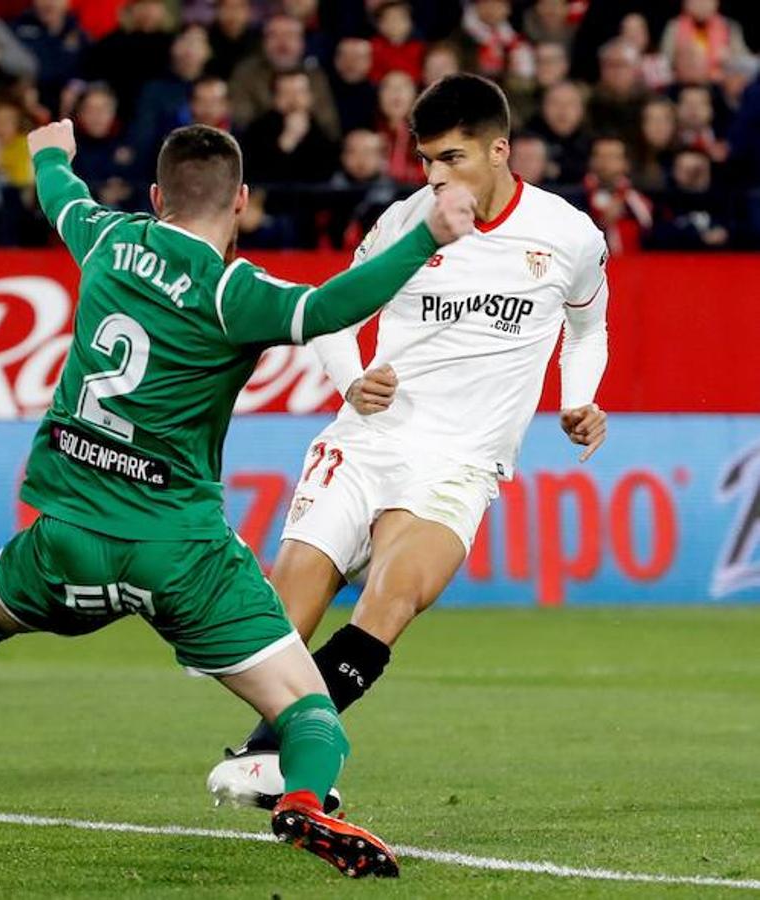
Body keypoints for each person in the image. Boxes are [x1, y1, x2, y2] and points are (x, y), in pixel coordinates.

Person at [0, 118, 479, 880]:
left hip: (66, 536)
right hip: (180, 555)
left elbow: (59, 195)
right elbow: (330, 308)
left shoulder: (107, 240)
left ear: (153, 196)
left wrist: (48, 150)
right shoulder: (231, 291)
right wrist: (424, 238)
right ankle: (302, 795)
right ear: (240, 201)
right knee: (310, 711)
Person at [213, 74, 609, 799]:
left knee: (391, 601)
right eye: (424, 160)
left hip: (461, 461)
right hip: (368, 440)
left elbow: (588, 330)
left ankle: (278, 760)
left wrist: (580, 398)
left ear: (498, 151)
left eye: (450, 159)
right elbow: (329, 312)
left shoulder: (568, 236)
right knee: (280, 624)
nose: (433, 177)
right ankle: (280, 751)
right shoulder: (404, 222)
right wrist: (353, 379)